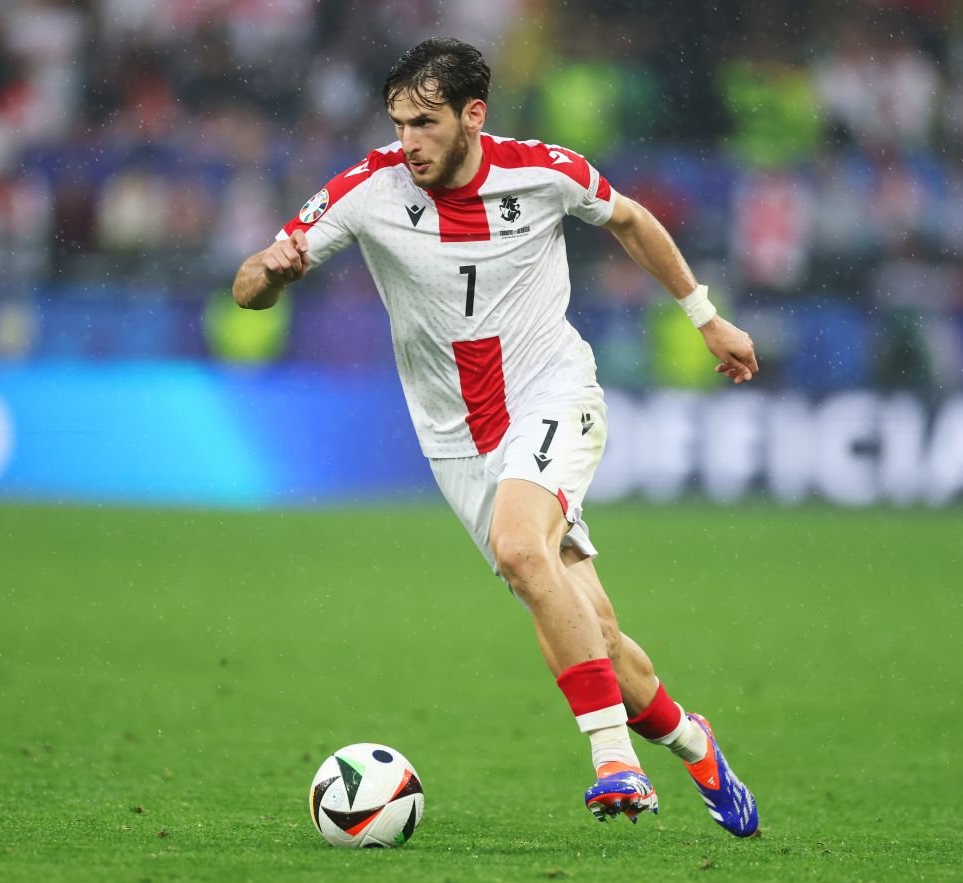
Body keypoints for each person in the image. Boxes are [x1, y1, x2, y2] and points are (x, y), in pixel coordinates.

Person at [233, 38, 760, 834]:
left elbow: (631, 220)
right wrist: (270, 273)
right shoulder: (366, 190)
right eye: (399, 123)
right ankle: (695, 744)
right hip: (457, 441)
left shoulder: (543, 171)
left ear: (473, 115)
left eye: (426, 122)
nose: (409, 141)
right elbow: (248, 287)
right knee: (595, 633)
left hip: (552, 392)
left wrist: (705, 315)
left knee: (520, 547)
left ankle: (613, 761)